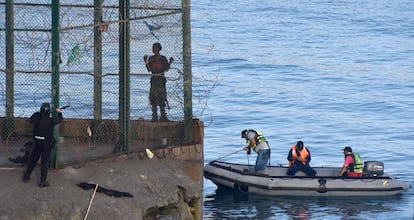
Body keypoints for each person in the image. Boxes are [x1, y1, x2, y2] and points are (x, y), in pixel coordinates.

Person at [23, 103, 63, 187]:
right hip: (46, 145)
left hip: (37, 143)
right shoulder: (50, 120)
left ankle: (26, 176)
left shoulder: (37, 118)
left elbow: (32, 118)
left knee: (33, 160)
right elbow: (59, 120)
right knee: (44, 163)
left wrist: (41, 113)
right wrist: (59, 112)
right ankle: (42, 182)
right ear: (49, 111)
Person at [143, 42, 174, 122]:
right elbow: (149, 69)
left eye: (154, 48)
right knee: (153, 98)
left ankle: (163, 116)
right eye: (152, 48)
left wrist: (170, 62)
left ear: (158, 49)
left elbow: (166, 69)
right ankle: (154, 116)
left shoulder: (163, 58)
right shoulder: (151, 58)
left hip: (161, 81)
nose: (153, 49)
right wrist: (146, 62)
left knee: (162, 98)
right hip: (154, 80)